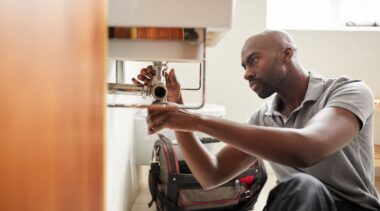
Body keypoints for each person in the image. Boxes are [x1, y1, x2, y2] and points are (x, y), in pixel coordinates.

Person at [132, 30, 380, 211]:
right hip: (301, 204)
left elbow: (308, 149)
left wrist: (195, 119)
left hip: (354, 208)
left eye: (253, 60)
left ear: (286, 54)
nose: (246, 73)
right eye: (243, 66)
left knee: (301, 185)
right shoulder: (264, 117)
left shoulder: (348, 91)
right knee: (295, 190)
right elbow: (212, 174)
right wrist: (180, 117)